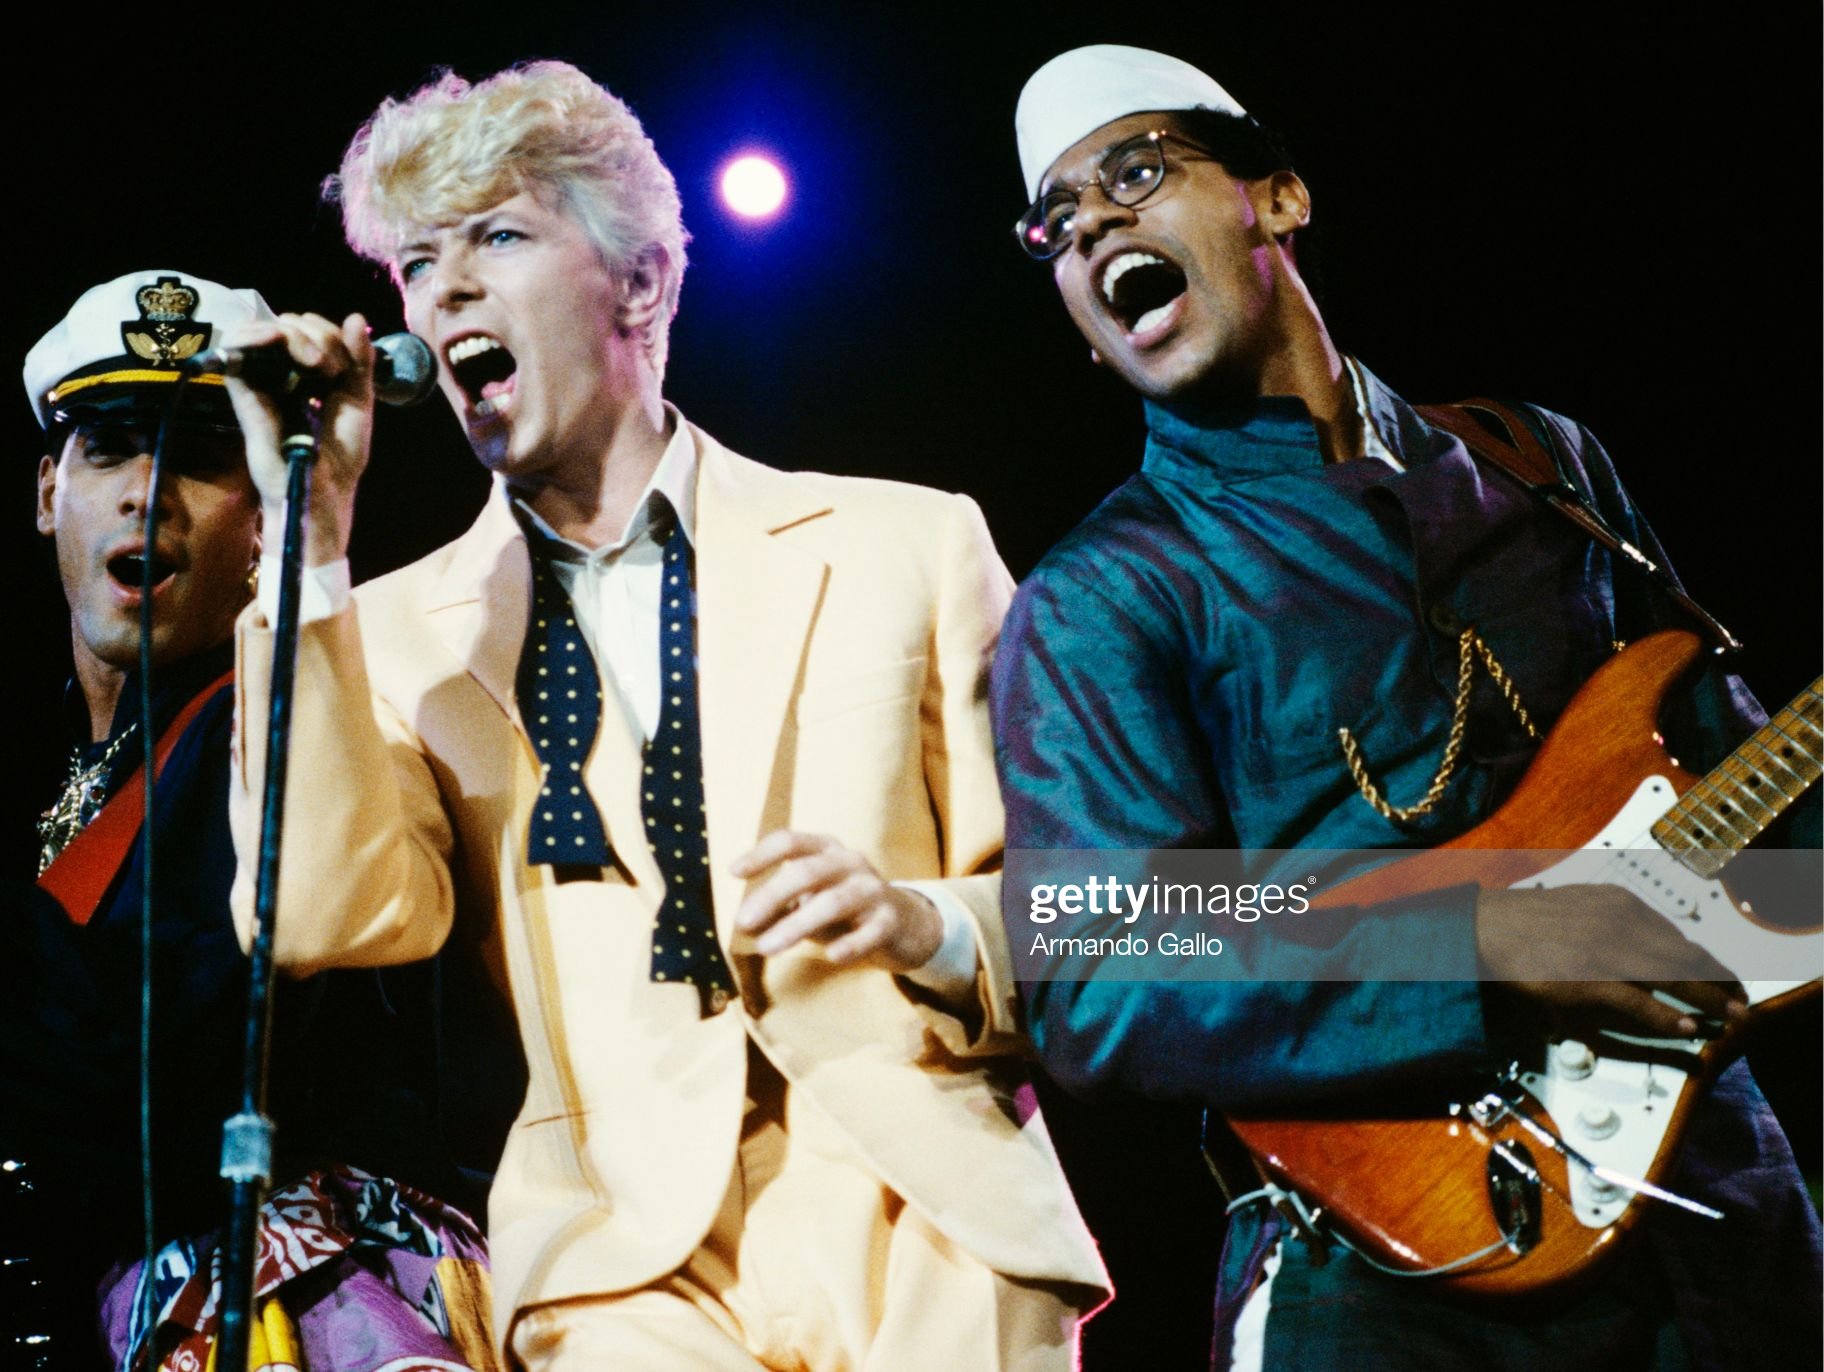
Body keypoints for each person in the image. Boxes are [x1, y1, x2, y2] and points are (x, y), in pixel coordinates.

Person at [219, 60, 1108, 1372]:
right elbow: (315, 916)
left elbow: (1094, 906)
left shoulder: (904, 541)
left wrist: (928, 922)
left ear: (641, 282)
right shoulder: (392, 634)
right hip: (612, 1265)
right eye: (416, 263)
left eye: (500, 237)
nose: (446, 288)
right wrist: (309, 542)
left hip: (924, 1219)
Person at [990, 45, 1821, 1370]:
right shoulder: (1105, 596)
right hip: (1387, 1284)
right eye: (1057, 228)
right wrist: (1485, 935)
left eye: (1139, 171)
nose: (1094, 229)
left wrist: (1769, 905)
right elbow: (1102, 960)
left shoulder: (1538, 461)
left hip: (1725, 1225)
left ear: (1278, 198)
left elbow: (1763, 829)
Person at [0, 270, 497, 1372]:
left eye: (202, 454)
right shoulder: (51, 779)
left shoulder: (297, 736)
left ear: (262, 516)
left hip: (312, 1315)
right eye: (109, 446)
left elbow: (185, 1079)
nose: (146, 491)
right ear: (43, 491)